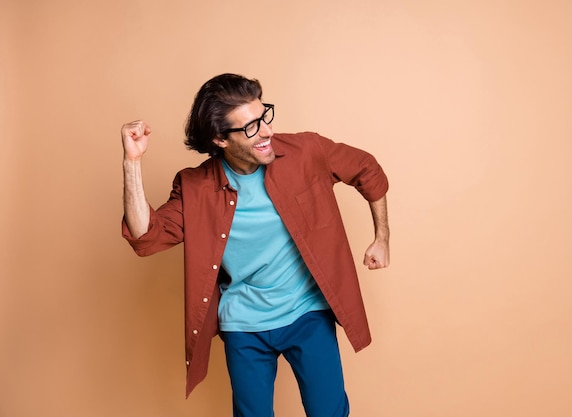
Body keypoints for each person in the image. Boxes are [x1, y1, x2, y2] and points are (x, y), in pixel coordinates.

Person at [121, 73, 390, 417]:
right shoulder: (195, 187)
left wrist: (381, 239)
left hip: (308, 313)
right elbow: (146, 237)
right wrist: (132, 162)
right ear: (219, 139)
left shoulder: (306, 151)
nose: (266, 131)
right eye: (250, 127)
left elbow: (368, 170)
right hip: (244, 325)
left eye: (264, 117)